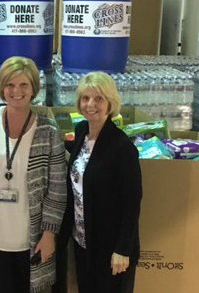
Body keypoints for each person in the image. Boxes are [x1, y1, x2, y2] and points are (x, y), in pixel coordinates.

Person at [0, 56, 67, 293]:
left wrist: (49, 234)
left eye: (24, 85)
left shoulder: (47, 130)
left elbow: (57, 188)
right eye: (10, 85)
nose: (16, 91)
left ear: (34, 88)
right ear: (1, 88)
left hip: (30, 240)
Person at [61, 71, 142, 292]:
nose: (91, 104)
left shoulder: (122, 147)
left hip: (111, 248)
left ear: (110, 103)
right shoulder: (81, 132)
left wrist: (123, 249)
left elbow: (132, 203)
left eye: (99, 98)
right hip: (83, 239)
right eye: (86, 98)